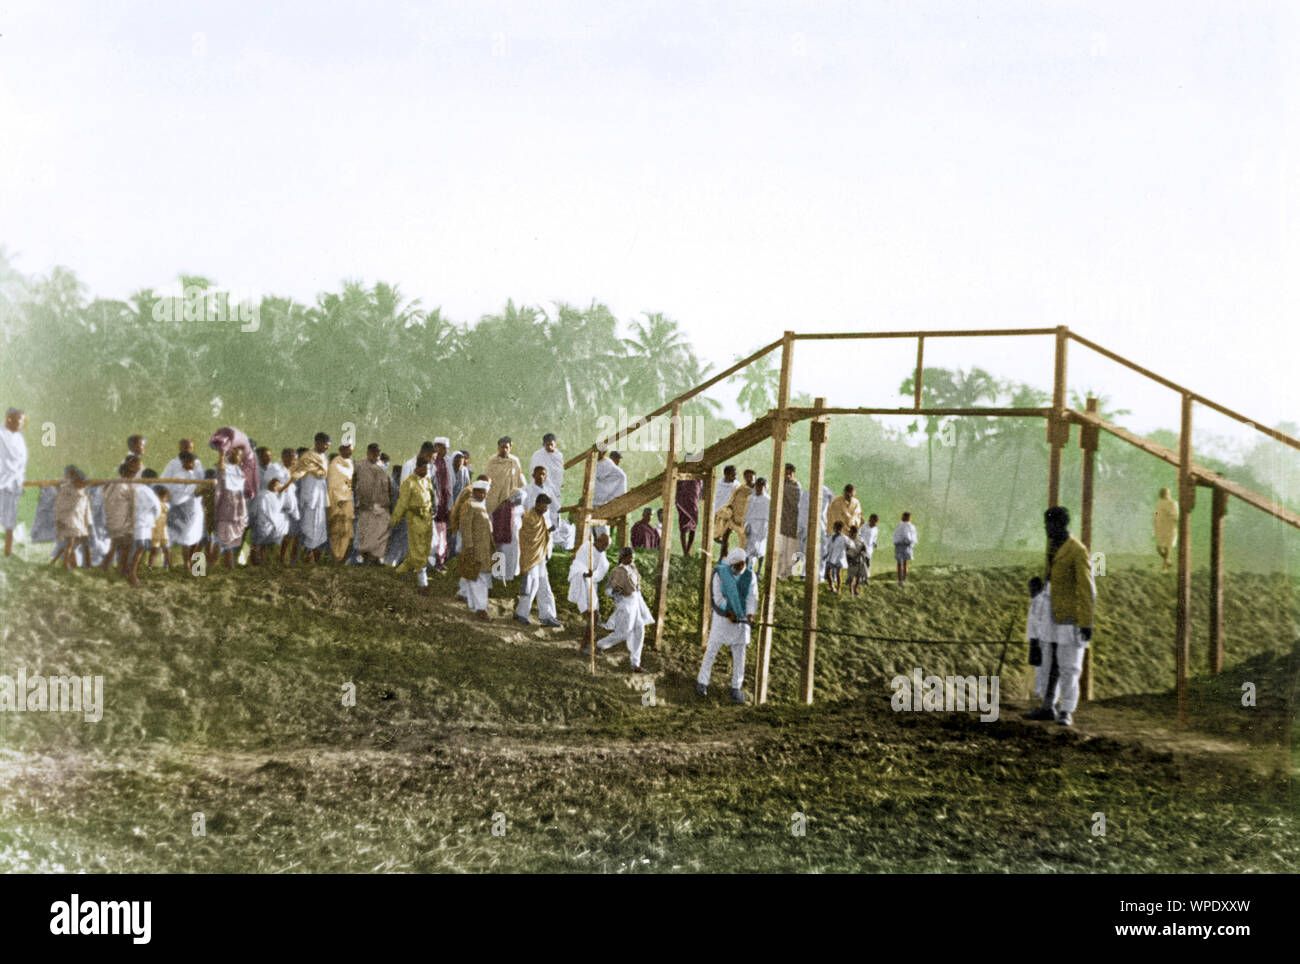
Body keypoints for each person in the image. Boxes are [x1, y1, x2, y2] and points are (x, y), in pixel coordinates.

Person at [1025, 507, 1096, 727]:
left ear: (1059, 525)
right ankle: (1048, 706)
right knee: (1047, 663)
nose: (1046, 529)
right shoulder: (1054, 547)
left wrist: (1086, 622)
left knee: (1069, 665)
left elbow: (1087, 589)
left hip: (1069, 616)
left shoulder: (1077, 550)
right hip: (1050, 613)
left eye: (1049, 525)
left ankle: (1066, 711)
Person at [696, 547, 756, 703]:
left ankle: (736, 687)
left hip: (741, 623)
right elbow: (717, 598)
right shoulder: (720, 574)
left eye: (742, 565)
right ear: (731, 564)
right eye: (736, 566)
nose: (740, 568)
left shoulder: (750, 576)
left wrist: (750, 614)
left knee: (740, 657)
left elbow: (751, 597)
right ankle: (702, 682)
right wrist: (728, 612)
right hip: (723, 621)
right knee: (711, 651)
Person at [595, 547, 653, 672]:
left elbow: (637, 586)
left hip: (637, 602)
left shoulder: (633, 568)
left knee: (640, 630)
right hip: (625, 604)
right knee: (623, 633)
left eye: (633, 556)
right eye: (629, 556)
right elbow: (608, 591)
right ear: (622, 557)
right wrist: (615, 591)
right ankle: (599, 645)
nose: (632, 559)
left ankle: (635, 663)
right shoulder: (617, 571)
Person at [515, 494, 562, 627]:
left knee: (544, 585)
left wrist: (548, 530)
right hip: (530, 556)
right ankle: (521, 613)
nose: (546, 508)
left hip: (540, 555)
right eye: (544, 505)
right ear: (537, 503)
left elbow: (541, 533)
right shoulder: (528, 516)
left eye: (547, 506)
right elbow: (528, 535)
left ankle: (548, 616)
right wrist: (547, 531)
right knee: (531, 584)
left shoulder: (540, 517)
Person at [485, 437, 526, 581]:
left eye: (507, 447)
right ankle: (497, 573)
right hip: (494, 506)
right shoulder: (492, 462)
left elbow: (520, 483)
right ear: (498, 447)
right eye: (502, 447)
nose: (504, 450)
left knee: (512, 540)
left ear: (511, 447)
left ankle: (509, 574)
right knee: (496, 541)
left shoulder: (514, 462)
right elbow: (487, 483)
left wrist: (515, 498)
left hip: (510, 507)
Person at [391, 457, 434, 594]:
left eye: (427, 469)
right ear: (417, 468)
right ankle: (423, 584)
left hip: (427, 518)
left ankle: (399, 571)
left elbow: (431, 497)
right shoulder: (408, 483)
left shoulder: (427, 481)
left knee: (424, 550)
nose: (425, 471)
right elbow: (402, 503)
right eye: (423, 468)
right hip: (414, 519)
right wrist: (395, 518)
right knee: (418, 550)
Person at [287, 433, 331, 563]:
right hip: (308, 499)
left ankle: (309, 558)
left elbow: (323, 478)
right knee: (305, 529)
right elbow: (301, 476)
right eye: (325, 445)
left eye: (328, 446)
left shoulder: (324, 457)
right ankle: (295, 560)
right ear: (317, 442)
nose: (327, 448)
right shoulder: (308, 457)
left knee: (317, 529)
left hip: (319, 499)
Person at [568, 529, 612, 650]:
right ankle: (587, 643)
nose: (603, 546)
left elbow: (600, 575)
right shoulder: (586, 547)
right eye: (601, 543)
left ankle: (586, 643)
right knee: (593, 616)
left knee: (594, 616)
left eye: (606, 545)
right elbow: (576, 563)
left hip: (591, 586)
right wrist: (584, 573)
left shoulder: (604, 561)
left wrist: (592, 576)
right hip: (581, 582)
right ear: (598, 540)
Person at [458, 478, 495, 619]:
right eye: (481, 492)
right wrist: (469, 547)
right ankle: (481, 608)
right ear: (475, 491)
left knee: (477, 576)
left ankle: (475, 606)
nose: (483, 495)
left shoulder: (480, 505)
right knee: (478, 577)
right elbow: (466, 527)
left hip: (483, 547)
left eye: (485, 492)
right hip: (475, 547)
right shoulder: (470, 505)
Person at [164, 449, 206, 565]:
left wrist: (197, 491)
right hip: (183, 507)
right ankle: (185, 563)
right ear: (183, 462)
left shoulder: (195, 475)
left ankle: (194, 563)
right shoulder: (178, 476)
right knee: (186, 537)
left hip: (195, 508)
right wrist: (191, 491)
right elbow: (177, 493)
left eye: (193, 462)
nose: (191, 464)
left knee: (196, 535)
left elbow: (199, 489)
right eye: (189, 462)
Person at [250, 447, 291, 564]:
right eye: (264, 456)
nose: (268, 458)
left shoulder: (274, 469)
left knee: (268, 535)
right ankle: (255, 562)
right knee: (258, 536)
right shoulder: (254, 471)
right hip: (259, 505)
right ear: (258, 457)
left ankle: (264, 561)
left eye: (269, 455)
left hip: (273, 505)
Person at [354, 443, 392, 565]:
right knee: (365, 532)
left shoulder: (382, 467)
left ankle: (377, 557)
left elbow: (387, 486)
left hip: (380, 505)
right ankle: (364, 557)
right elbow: (352, 483)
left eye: (378, 454)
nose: (376, 456)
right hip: (365, 505)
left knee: (380, 532)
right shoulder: (359, 466)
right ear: (368, 453)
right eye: (374, 453)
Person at [102, 456, 139, 577]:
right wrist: (133, 523)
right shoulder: (128, 485)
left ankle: (106, 567)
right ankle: (121, 570)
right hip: (121, 520)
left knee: (115, 545)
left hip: (112, 519)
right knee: (126, 546)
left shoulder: (114, 481)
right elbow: (133, 506)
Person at [214, 447, 249, 569]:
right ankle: (215, 565)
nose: (235, 456)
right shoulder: (225, 468)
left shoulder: (240, 472)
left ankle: (226, 566)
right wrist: (222, 454)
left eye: (238, 455)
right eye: (233, 454)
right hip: (226, 507)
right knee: (223, 540)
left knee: (232, 542)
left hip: (238, 508)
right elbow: (221, 469)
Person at [0, 407, 28, 557]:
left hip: (13, 485)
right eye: (19, 420)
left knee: (10, 522)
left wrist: (19, 480)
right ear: (9, 419)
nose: (22, 424)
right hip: (1, 483)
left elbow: (21, 464)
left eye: (23, 421)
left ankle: (7, 554)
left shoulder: (19, 438)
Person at [53, 466, 93, 569]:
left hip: (80, 523)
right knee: (70, 542)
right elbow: (59, 506)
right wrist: (59, 520)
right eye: (78, 482)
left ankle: (80, 564)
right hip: (68, 521)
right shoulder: (66, 491)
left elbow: (86, 510)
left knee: (78, 544)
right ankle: (65, 564)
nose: (81, 484)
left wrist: (88, 524)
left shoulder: (84, 494)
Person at [127, 475, 163, 586]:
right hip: (143, 523)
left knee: (137, 547)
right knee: (140, 547)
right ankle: (132, 573)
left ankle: (132, 570)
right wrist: (154, 517)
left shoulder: (135, 489)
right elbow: (157, 507)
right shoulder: (148, 491)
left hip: (136, 521)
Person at [1024, 576, 1054, 701]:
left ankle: (1043, 693)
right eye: (1029, 588)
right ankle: (1039, 692)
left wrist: (1035, 639)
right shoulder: (1036, 600)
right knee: (1039, 667)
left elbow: (1038, 622)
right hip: (1037, 639)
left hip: (1042, 639)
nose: (1030, 590)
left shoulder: (1041, 601)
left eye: (1032, 588)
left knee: (1044, 666)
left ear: (1038, 587)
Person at [325, 443, 355, 563]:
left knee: (346, 531)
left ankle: (341, 557)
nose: (349, 452)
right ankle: (335, 556)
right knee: (336, 530)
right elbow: (333, 485)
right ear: (341, 450)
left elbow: (349, 483)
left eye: (350, 450)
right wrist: (339, 500)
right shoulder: (335, 465)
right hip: (337, 501)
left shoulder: (350, 465)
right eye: (347, 450)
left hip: (348, 501)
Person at [714, 468, 755, 556]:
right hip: (735, 517)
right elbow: (732, 499)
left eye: (751, 477)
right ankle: (723, 555)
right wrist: (729, 508)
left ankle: (743, 560)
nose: (749, 479)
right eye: (747, 477)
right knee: (725, 533)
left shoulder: (756, 490)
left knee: (745, 542)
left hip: (747, 520)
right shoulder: (740, 488)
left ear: (754, 477)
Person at [528, 433, 564, 533]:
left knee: (555, 510)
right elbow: (536, 471)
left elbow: (559, 473)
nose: (549, 447)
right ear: (543, 445)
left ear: (556, 444)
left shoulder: (558, 455)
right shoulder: (538, 455)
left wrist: (556, 486)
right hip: (542, 487)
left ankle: (554, 532)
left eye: (552, 444)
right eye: (547, 445)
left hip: (555, 488)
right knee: (544, 509)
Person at [429, 438, 454, 569]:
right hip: (434, 504)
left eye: (446, 448)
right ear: (436, 447)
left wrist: (450, 504)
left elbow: (448, 486)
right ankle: (435, 561)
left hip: (444, 504)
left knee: (443, 532)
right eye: (443, 448)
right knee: (435, 533)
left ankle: (441, 560)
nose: (445, 451)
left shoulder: (445, 462)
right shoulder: (432, 463)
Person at [591, 449, 627, 538]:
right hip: (594, 498)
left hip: (604, 500)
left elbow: (621, 477)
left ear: (604, 453)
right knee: (589, 529)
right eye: (617, 458)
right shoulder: (595, 463)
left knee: (603, 530)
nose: (618, 461)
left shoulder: (609, 465)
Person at [775, 463, 802, 578]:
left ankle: (790, 572)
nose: (788, 475)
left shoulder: (796, 486)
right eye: (786, 472)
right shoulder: (779, 484)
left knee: (791, 548)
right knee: (781, 548)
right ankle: (779, 572)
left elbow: (798, 503)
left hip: (792, 520)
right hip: (781, 519)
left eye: (790, 473)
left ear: (793, 473)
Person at [744, 477, 770, 573]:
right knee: (749, 548)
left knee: (761, 549)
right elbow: (748, 512)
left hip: (762, 526)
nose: (758, 488)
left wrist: (766, 528)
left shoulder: (767, 499)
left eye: (761, 486)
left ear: (765, 487)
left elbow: (768, 515)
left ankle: (759, 571)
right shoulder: (751, 498)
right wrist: (747, 524)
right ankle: (747, 569)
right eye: (757, 486)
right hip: (752, 524)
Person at [675, 476, 703, 556]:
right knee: (683, 527)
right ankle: (685, 551)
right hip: (684, 500)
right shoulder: (686, 470)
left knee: (693, 527)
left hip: (694, 501)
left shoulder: (699, 476)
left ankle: (688, 550)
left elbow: (700, 487)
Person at [1153, 486, 1178, 573]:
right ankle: (1167, 561)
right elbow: (1156, 513)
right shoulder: (1159, 503)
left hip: (1169, 527)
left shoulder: (1173, 503)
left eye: (1164, 492)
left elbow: (1175, 515)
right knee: (1159, 547)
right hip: (1161, 527)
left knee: (1168, 547)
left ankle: (1165, 567)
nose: (1163, 494)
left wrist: (1170, 516)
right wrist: (1155, 522)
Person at [147, 486, 171, 569]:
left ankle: (167, 565)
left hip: (163, 531)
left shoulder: (166, 505)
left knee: (166, 549)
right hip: (155, 531)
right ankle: (150, 565)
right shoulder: (155, 505)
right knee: (155, 550)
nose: (166, 498)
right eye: (165, 497)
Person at [893, 512, 918, 587]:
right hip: (900, 545)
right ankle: (900, 579)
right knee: (900, 562)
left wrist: (910, 542)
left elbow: (913, 536)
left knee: (904, 562)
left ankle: (903, 579)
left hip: (906, 546)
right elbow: (896, 535)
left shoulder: (910, 526)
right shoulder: (900, 525)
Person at [844, 524, 870, 596]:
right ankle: (851, 592)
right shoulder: (848, 540)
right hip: (852, 561)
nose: (853, 533)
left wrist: (863, 552)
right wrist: (850, 559)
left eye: (855, 532)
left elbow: (864, 548)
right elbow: (846, 551)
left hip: (860, 561)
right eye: (852, 532)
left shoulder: (860, 539)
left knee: (858, 577)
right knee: (852, 578)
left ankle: (855, 589)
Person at [824, 520, 848, 594]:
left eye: (838, 528)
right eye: (835, 527)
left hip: (839, 558)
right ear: (834, 528)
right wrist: (826, 555)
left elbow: (849, 547)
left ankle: (839, 589)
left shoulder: (844, 538)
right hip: (830, 557)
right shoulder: (831, 536)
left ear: (841, 529)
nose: (837, 529)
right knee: (828, 573)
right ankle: (831, 587)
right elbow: (829, 547)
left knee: (838, 574)